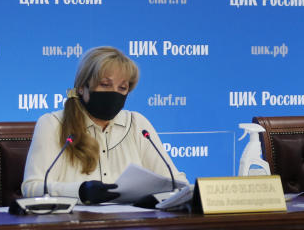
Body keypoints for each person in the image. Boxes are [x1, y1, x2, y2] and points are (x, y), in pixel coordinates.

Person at [21, 46, 185, 204]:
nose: (114, 93)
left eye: (122, 87)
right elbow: (32, 187)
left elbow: (175, 181)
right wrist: (81, 192)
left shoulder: (138, 124)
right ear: (81, 88)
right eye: (105, 84)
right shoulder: (53, 124)